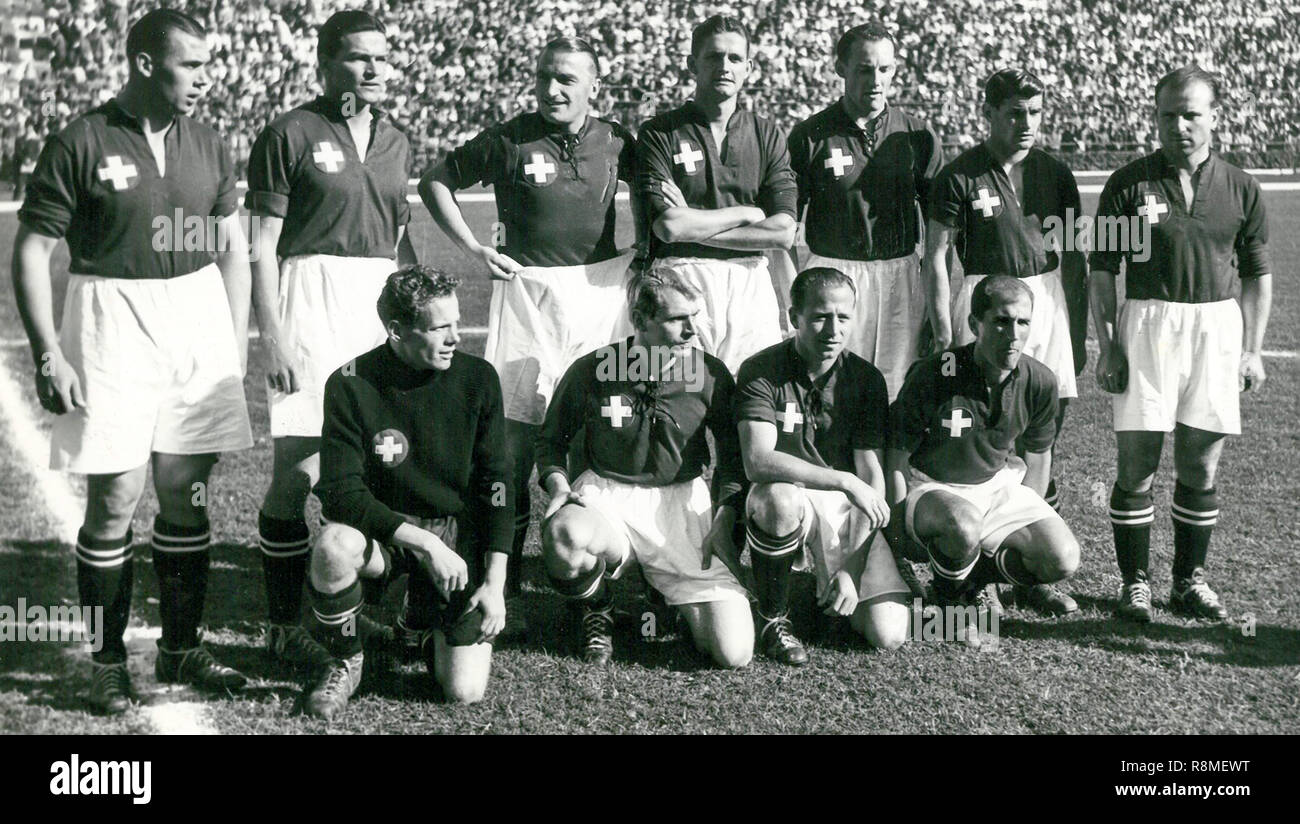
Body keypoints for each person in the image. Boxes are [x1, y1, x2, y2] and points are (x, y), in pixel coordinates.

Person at [11, 8, 254, 714]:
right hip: (109, 319)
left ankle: (182, 645)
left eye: (207, 66)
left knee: (186, 495)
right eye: (192, 66)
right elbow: (32, 250)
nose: (205, 80)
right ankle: (108, 659)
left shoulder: (210, 144)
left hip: (196, 316)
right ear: (146, 65)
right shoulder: (81, 140)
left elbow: (232, 247)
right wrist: (48, 352)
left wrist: (231, 345)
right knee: (114, 499)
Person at [419, 36, 640, 632]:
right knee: (511, 445)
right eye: (545, 76)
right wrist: (471, 247)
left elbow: (656, 188)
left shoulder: (618, 138)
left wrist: (645, 249)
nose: (552, 89)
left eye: (567, 78)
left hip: (599, 295)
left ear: (595, 84)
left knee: (602, 432)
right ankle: (502, 581)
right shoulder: (509, 137)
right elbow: (434, 181)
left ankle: (598, 578)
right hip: (528, 296)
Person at [245, 9, 417, 670]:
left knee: (380, 461)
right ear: (325, 65)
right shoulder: (290, 132)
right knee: (299, 469)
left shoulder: (400, 140)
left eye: (381, 57)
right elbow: (261, 245)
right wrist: (275, 338)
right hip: (308, 301)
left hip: (375, 308)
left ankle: (359, 607)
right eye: (357, 58)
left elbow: (399, 241)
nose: (373, 69)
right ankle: (282, 623)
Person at [1090, 66, 1271, 623]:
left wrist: (1252, 349)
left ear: (1214, 117)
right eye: (1168, 114)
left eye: (1191, 113)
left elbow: (1257, 275)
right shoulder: (1129, 183)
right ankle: (1135, 583)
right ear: (1156, 117)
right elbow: (1102, 271)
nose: (1179, 125)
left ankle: (1189, 580)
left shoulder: (1241, 186)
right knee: (1137, 465)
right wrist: (1110, 344)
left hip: (1216, 329)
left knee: (1200, 466)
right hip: (1147, 324)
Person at [304, 266, 512, 719]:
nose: (456, 337)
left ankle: (414, 621)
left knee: (464, 691)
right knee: (334, 546)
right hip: (389, 537)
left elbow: (497, 486)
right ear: (397, 331)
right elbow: (339, 493)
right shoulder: (350, 383)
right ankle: (346, 658)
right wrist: (424, 543)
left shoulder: (479, 379)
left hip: (457, 540)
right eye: (440, 327)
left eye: (457, 323)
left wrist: (495, 584)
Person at [924, 68, 1086, 615]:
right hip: (986, 298)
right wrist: (946, 332)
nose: (1026, 123)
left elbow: (1076, 257)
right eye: (1014, 113)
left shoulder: (1056, 173)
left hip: (1045, 300)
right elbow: (937, 258)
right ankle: (975, 561)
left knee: (1043, 429)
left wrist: (1078, 331)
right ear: (988, 113)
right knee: (978, 422)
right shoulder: (960, 175)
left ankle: (1028, 572)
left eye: (1035, 113)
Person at [536, 270, 753, 668]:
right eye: (677, 319)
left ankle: (667, 597)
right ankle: (597, 610)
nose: (693, 329)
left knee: (733, 653)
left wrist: (725, 515)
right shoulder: (596, 368)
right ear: (640, 320)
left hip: (681, 505)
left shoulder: (710, 373)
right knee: (566, 535)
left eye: (695, 316)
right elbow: (550, 439)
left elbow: (732, 457)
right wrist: (559, 486)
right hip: (607, 496)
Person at [887, 276, 1081, 642]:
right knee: (963, 525)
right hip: (931, 486)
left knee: (1062, 557)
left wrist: (1024, 518)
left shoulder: (1039, 380)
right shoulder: (936, 372)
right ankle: (949, 607)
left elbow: (1037, 460)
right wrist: (897, 534)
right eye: (1001, 321)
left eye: (1022, 322)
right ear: (975, 324)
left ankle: (975, 577)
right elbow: (896, 454)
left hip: (996, 485)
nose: (1013, 333)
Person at [736, 267, 911, 664]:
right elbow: (758, 461)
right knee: (776, 500)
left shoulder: (865, 378)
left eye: (843, 317)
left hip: (845, 505)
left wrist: (853, 565)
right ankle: (773, 615)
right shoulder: (760, 369)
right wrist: (843, 480)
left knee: (888, 634)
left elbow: (871, 476)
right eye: (819, 316)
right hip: (789, 490)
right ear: (793, 316)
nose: (833, 329)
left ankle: (830, 590)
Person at [786, 22, 942, 401]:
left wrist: (931, 296)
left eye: (885, 69)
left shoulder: (916, 135)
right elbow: (784, 229)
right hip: (834, 276)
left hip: (900, 275)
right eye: (864, 69)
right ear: (840, 68)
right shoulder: (810, 135)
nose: (876, 80)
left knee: (898, 389)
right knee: (831, 390)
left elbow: (942, 229)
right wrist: (792, 293)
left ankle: (889, 464)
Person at [636, 14, 797, 375]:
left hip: (749, 283)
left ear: (749, 67)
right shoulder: (659, 132)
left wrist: (695, 223)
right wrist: (748, 212)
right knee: (682, 395)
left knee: (751, 397)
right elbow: (670, 229)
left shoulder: (768, 134)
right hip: (679, 279)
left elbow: (784, 232)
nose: (725, 66)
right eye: (713, 57)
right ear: (693, 63)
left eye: (735, 58)